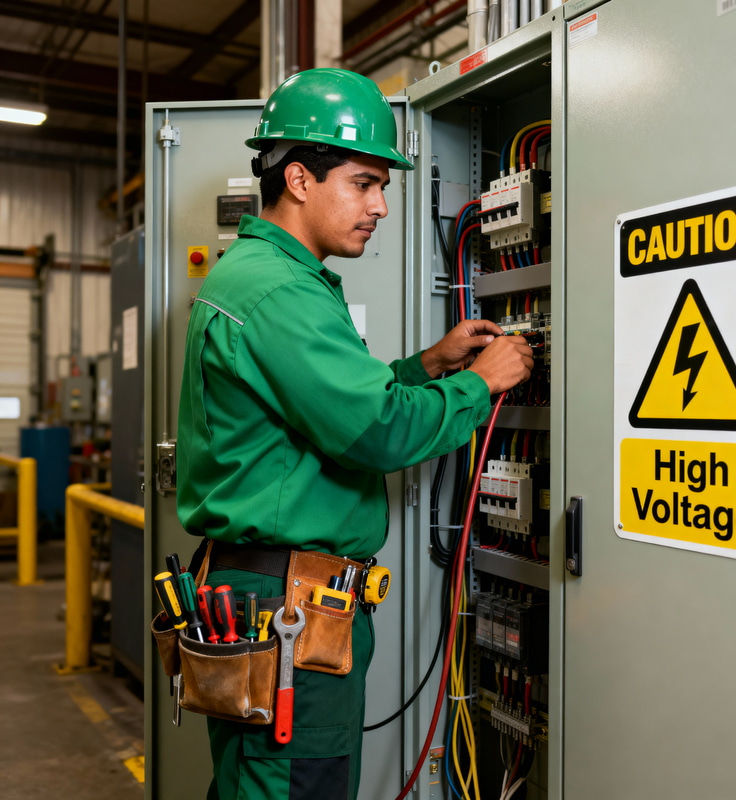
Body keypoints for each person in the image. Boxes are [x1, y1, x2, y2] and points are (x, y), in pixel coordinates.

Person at [176, 67, 532, 800]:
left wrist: (425, 366)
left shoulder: (268, 278)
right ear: (299, 178)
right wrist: (480, 383)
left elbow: (319, 410)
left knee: (259, 782)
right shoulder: (280, 290)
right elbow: (378, 430)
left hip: (272, 601)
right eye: (364, 183)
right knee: (293, 784)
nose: (380, 206)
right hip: (287, 611)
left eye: (383, 187)